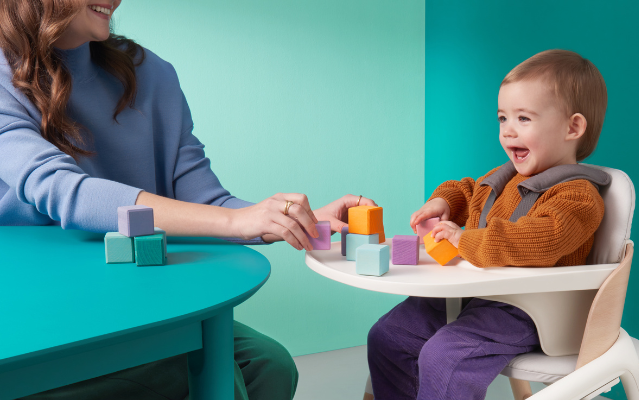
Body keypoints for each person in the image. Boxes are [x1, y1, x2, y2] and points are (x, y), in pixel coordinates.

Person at [0, 1, 376, 399]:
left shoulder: (148, 71)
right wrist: (238, 222)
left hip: (141, 296)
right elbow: (63, 191)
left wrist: (288, 219)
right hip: (40, 315)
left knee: (269, 365)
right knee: (212, 378)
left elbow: (206, 202)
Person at [365, 49, 611, 400]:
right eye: (502, 118)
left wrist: (465, 240)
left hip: (532, 311)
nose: (508, 131)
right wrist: (444, 203)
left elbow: (541, 240)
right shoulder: (505, 178)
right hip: (477, 296)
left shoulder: (578, 197)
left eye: (523, 118)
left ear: (572, 127)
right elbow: (469, 192)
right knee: (390, 335)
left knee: (446, 357)